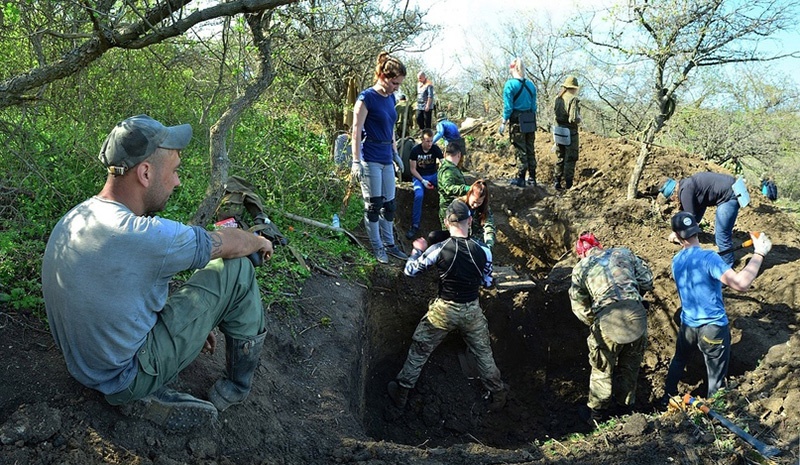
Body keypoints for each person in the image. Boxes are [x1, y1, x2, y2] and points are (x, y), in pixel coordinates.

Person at [41, 115, 274, 430]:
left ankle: (141, 386)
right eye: (175, 171)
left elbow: (119, 293)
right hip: (124, 375)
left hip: (83, 366)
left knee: (190, 292)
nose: (177, 182)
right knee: (237, 269)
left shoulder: (76, 218)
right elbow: (229, 244)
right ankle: (233, 390)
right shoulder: (144, 235)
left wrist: (195, 323)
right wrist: (258, 240)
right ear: (145, 173)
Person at [387, 199, 508, 411]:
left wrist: (417, 250)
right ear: (469, 221)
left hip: (444, 310)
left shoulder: (438, 249)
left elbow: (410, 271)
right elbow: (488, 283)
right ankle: (498, 394)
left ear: (446, 222)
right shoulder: (484, 251)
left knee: (420, 349)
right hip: (471, 310)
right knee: (483, 354)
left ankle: (402, 391)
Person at [661, 212, 771, 405]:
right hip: (712, 327)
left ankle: (667, 398)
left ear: (677, 237)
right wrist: (759, 253)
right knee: (715, 375)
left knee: (679, 359)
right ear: (697, 230)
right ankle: (714, 411)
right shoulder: (709, 258)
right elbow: (741, 283)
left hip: (688, 327)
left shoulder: (676, 261)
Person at [569, 232, 654, 424]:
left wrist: (595, 321)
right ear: (599, 246)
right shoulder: (623, 253)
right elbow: (647, 281)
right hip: (635, 316)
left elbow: (579, 308)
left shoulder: (581, 267)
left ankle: (597, 415)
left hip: (608, 320)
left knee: (602, 367)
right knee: (630, 366)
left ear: (582, 253)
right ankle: (626, 410)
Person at [351, 52, 409, 264]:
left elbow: (390, 127)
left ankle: (390, 244)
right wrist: (355, 161)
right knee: (374, 205)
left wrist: (395, 153)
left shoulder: (391, 98)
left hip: (386, 156)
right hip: (371, 157)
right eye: (395, 82)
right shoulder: (366, 98)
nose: (397, 87)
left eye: (399, 83)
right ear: (383, 77)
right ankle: (377, 246)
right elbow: (356, 131)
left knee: (390, 205)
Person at [660, 172, 742, 267]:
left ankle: (726, 267)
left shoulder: (685, 191)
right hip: (733, 187)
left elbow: (689, 217)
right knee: (722, 233)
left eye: (671, 199)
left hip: (729, 196)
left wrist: (677, 234)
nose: (673, 201)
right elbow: (700, 206)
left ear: (673, 195)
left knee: (722, 234)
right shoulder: (688, 185)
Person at [500, 57, 537, 187]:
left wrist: (504, 121)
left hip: (517, 120)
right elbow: (534, 107)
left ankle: (521, 178)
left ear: (513, 68)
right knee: (530, 148)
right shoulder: (531, 85)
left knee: (520, 148)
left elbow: (508, 107)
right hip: (530, 119)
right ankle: (532, 177)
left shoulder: (510, 85)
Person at [406, 128, 444, 239]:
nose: (430, 143)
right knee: (419, 195)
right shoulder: (415, 151)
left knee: (445, 188)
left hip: (433, 175)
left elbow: (443, 163)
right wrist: (423, 181)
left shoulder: (435, 149)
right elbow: (413, 169)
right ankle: (415, 225)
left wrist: (442, 175)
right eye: (427, 141)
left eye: (431, 140)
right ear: (422, 140)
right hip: (419, 177)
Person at [554, 76, 581, 190]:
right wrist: (580, 119)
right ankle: (569, 184)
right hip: (570, 132)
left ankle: (557, 182)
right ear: (574, 88)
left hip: (558, 130)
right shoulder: (573, 99)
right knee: (570, 157)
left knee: (560, 156)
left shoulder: (558, 98)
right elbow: (573, 119)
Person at [437, 142, 470, 227]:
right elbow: (449, 188)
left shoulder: (451, 168)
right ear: (459, 154)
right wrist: (467, 189)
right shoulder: (448, 170)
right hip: (450, 210)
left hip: (454, 208)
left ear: (445, 154)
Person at [458, 180, 496, 250]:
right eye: (474, 201)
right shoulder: (458, 205)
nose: (475, 205)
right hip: (460, 238)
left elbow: (489, 226)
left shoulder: (485, 208)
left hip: (476, 240)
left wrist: (489, 244)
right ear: (469, 194)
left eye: (479, 203)